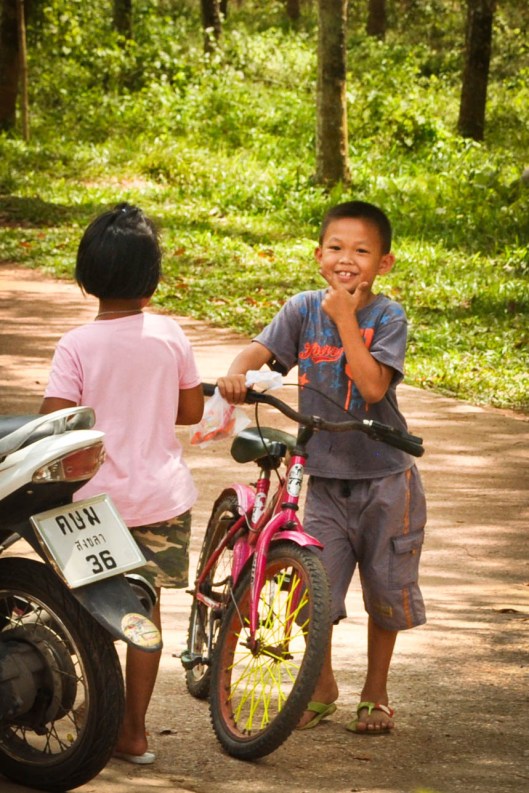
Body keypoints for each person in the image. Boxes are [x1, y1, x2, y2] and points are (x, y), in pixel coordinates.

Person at [217, 200, 426, 734]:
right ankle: (323, 683)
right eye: (336, 248)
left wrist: (345, 319)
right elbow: (260, 351)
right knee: (315, 590)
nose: (346, 259)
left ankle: (375, 692)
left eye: (361, 250)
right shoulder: (302, 308)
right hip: (325, 478)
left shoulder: (387, 316)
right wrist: (238, 371)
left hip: (386, 479)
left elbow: (374, 385)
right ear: (318, 255)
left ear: (385, 263)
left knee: (386, 590)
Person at [39, 202, 204, 763]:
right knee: (144, 611)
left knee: (88, 610)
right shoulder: (169, 335)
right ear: (151, 276)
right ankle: (133, 730)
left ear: (88, 276)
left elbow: (55, 424)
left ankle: (95, 718)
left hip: (90, 508)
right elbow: (187, 411)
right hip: (161, 499)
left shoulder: (77, 346)